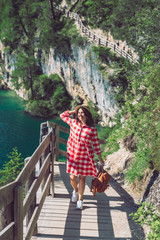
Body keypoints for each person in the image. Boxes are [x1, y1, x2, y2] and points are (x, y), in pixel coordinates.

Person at [60, 105, 104, 210]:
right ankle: (74, 191)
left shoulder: (92, 129)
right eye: (78, 113)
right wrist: (73, 111)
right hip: (73, 155)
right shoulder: (73, 123)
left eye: (82, 113)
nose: (80, 114)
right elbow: (62, 115)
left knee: (82, 178)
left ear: (87, 115)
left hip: (85, 156)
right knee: (72, 177)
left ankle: (80, 200)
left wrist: (100, 158)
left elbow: (96, 144)